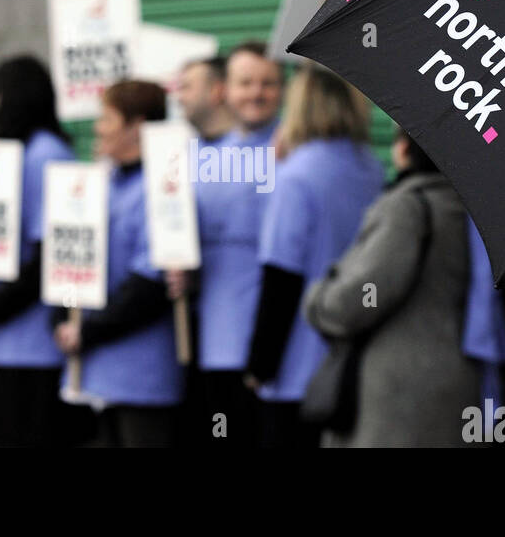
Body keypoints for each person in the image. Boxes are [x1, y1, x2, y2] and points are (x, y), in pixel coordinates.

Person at [303, 130, 480, 446]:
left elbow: (355, 301)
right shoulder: (473, 211)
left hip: (399, 396)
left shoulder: (407, 208)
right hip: (459, 383)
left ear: (403, 150)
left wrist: (319, 298)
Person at [243, 67, 383, 448]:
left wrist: (260, 365)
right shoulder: (371, 168)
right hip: (354, 360)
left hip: (297, 365)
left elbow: (281, 278)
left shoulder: (296, 176)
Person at [0, 56, 94, 447]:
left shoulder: (45, 154)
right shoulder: (20, 152)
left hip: (35, 340)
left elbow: (52, 252)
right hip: (5, 341)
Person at [51, 80, 183, 447]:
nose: (98, 127)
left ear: (137, 126)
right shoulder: (102, 181)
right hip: (92, 371)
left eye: (107, 118)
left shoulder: (161, 187)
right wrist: (62, 319)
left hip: (141, 377)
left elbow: (150, 281)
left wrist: (88, 330)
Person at [167, 42, 283, 447]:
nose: (256, 93)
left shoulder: (292, 150)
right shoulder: (205, 159)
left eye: (268, 83)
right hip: (214, 342)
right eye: (246, 82)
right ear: (226, 90)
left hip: (274, 345)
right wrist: (183, 271)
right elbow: (189, 241)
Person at [175, 57, 233, 145]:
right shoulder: (190, 148)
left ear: (216, 91)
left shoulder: (250, 149)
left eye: (186, 87)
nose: (180, 98)